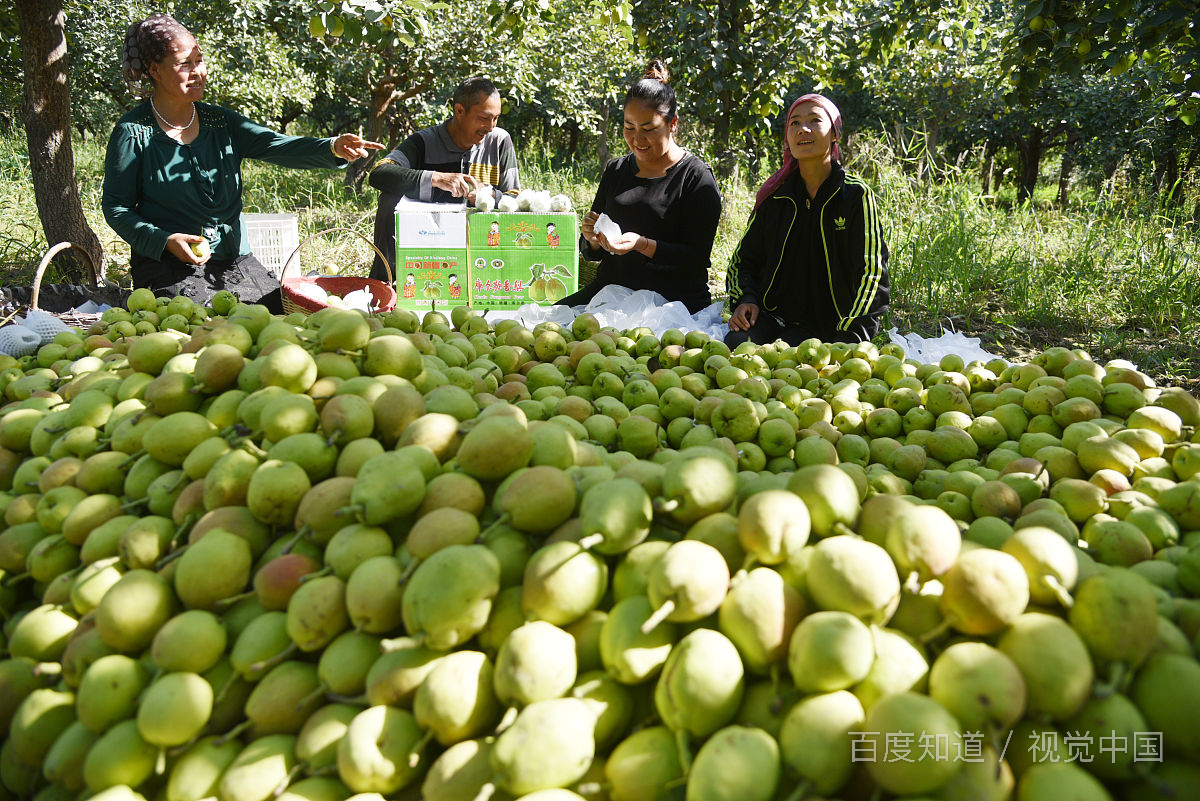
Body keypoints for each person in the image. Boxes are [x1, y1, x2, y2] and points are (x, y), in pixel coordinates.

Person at [102, 13, 382, 311]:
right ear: (155, 70)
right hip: (165, 265)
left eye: (200, 60)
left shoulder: (220, 123)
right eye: (185, 64)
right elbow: (116, 208)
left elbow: (277, 145)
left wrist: (333, 147)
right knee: (203, 324)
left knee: (278, 314)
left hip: (233, 260)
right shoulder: (134, 132)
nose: (198, 71)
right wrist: (165, 240)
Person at [725, 94, 889, 346]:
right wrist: (746, 299)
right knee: (737, 345)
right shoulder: (775, 195)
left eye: (815, 120)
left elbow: (872, 273)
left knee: (797, 359)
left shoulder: (855, 195)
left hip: (833, 324)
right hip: (775, 316)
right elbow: (742, 261)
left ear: (834, 133)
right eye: (795, 123)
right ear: (788, 138)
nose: (803, 129)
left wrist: (852, 333)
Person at [559, 61, 722, 314]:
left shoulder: (696, 178)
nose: (637, 139)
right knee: (540, 327)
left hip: (672, 303)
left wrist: (642, 245)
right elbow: (593, 254)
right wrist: (592, 240)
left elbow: (695, 259)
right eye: (628, 127)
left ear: (673, 123)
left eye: (648, 129)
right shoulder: (616, 171)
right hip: (611, 294)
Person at [368, 77, 520, 282]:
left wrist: (489, 195)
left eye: (496, 118)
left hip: (481, 254)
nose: (491, 127)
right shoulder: (424, 142)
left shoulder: (500, 141)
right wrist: (435, 178)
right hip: (427, 246)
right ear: (459, 111)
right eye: (484, 118)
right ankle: (385, 283)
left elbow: (515, 199)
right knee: (390, 198)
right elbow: (379, 173)